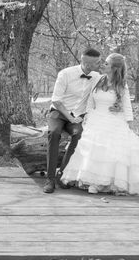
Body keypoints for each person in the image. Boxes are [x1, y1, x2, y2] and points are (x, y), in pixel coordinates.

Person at [60, 52, 139, 196]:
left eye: (107, 64)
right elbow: (91, 100)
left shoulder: (121, 85)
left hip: (114, 119)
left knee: (111, 151)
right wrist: (88, 116)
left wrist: (129, 124)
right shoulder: (99, 79)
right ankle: (91, 181)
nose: (103, 65)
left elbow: (126, 105)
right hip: (96, 118)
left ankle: (104, 183)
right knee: (91, 149)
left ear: (114, 68)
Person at [43, 48, 102, 194]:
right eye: (90, 63)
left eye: (96, 62)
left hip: (78, 115)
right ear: (84, 62)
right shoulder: (65, 74)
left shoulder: (97, 77)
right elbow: (56, 100)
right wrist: (70, 118)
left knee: (78, 134)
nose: (92, 66)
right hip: (59, 112)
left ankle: (62, 175)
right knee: (54, 132)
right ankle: (50, 179)